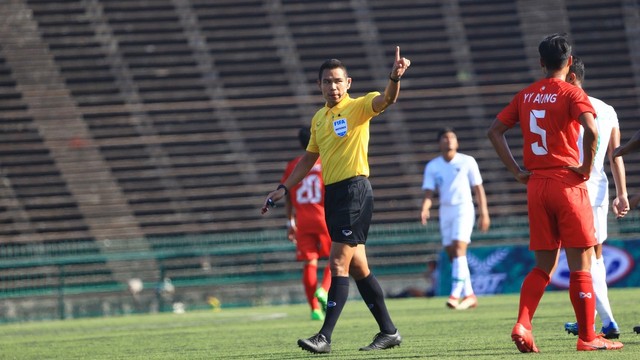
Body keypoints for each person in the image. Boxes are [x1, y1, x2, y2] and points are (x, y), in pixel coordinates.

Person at [261, 46, 411, 354]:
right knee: (359, 268)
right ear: (319, 85)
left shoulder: (358, 106)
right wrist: (284, 188)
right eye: (327, 81)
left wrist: (393, 78)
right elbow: (308, 159)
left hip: (355, 190)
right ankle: (389, 331)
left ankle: (324, 336)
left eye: (338, 81)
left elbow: (387, 99)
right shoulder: (319, 118)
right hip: (334, 195)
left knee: (337, 263)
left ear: (349, 83)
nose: (333, 86)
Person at [487, 33, 623, 352]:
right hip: (567, 183)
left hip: (536, 185)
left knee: (542, 266)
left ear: (541, 63)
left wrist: (517, 171)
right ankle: (588, 336)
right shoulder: (571, 93)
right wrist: (587, 167)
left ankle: (523, 322)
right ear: (570, 62)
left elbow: (494, 130)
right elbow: (591, 129)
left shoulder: (526, 95)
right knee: (582, 263)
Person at [562, 56, 629, 339]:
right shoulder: (607, 109)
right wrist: (622, 193)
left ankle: (605, 320)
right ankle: (591, 314)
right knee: (596, 256)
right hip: (600, 189)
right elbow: (616, 155)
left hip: (574, 188)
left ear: (573, 78)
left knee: (581, 259)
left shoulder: (566, 107)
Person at [420, 127, 490, 310]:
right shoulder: (433, 166)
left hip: (463, 208)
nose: (449, 141)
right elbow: (429, 191)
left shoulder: (467, 161)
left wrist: (484, 212)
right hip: (446, 210)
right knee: (453, 253)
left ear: (457, 142)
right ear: (439, 143)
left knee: (459, 248)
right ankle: (470, 295)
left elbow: (478, 188)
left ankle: (455, 293)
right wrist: (425, 208)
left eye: (452, 137)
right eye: (445, 138)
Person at [282, 127, 332, 321]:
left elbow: (286, 194)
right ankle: (324, 290)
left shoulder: (294, 165)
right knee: (337, 257)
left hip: (302, 219)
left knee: (309, 262)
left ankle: (314, 308)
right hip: (324, 216)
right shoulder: (325, 161)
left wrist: (289, 221)